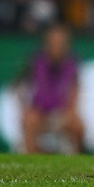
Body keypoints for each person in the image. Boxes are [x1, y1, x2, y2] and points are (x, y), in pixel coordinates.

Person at [19, 24, 84, 153]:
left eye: (61, 42)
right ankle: (31, 157)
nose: (57, 46)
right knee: (29, 121)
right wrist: (26, 110)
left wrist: (68, 113)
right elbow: (21, 89)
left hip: (61, 113)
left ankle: (76, 159)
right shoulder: (35, 62)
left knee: (78, 126)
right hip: (39, 112)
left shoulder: (72, 64)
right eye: (54, 42)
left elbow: (74, 92)